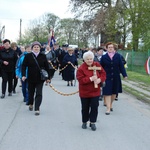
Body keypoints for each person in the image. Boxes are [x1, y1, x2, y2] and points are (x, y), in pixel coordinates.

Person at [76, 51, 106, 131]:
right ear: (84, 60)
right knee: (85, 107)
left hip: (95, 91)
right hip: (85, 92)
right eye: (88, 59)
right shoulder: (81, 68)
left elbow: (103, 74)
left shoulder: (97, 65)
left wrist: (100, 79)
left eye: (91, 59)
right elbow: (80, 80)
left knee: (94, 107)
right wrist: (90, 79)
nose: (90, 60)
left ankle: (92, 122)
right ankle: (84, 121)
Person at [22, 41, 50, 116]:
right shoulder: (28, 56)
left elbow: (47, 67)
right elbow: (24, 66)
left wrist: (48, 78)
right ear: (32, 48)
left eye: (37, 47)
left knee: (39, 93)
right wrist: (23, 75)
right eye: (35, 47)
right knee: (31, 92)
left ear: (40, 48)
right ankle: (31, 103)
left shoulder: (43, 56)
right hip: (30, 77)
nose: (36, 48)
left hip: (40, 78)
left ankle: (37, 108)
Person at [100, 42, 127, 115]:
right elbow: (100, 67)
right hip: (107, 77)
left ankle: (111, 103)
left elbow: (121, 66)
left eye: (112, 47)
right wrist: (99, 75)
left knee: (114, 93)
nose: (110, 48)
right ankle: (108, 108)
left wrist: (124, 75)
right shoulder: (104, 57)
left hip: (116, 77)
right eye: (109, 47)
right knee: (107, 92)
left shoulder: (118, 56)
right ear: (106, 48)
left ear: (114, 48)